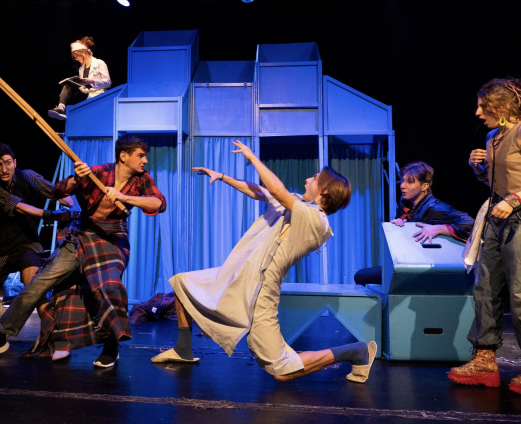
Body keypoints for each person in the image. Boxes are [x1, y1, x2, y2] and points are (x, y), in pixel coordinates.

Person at [152, 141, 377, 383]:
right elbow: (261, 192)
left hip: (261, 294)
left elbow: (277, 191)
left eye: (314, 178)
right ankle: (183, 349)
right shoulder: (297, 204)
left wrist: (253, 158)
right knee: (183, 283)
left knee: (281, 370)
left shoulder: (317, 222)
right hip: (238, 275)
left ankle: (354, 351)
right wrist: (223, 177)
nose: (307, 180)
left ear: (325, 191)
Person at [0, 136, 167, 368]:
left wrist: (123, 197)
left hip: (112, 238)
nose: (145, 160)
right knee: (37, 284)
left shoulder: (142, 179)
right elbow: (58, 190)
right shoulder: (98, 172)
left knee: (109, 285)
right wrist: (75, 179)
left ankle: (111, 345)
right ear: (124, 156)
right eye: (140, 155)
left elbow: (158, 203)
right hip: (82, 234)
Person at [448, 77, 521, 396]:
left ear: (501, 107)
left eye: (483, 106)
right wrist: (477, 168)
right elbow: (494, 184)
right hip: (497, 214)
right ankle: (484, 360)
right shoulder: (492, 137)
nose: (478, 112)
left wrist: (514, 199)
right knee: (485, 288)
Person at [0, 143, 74, 322]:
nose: (4, 169)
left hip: (27, 243)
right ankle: (6, 324)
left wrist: (73, 208)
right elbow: (18, 206)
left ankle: (52, 333)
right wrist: (52, 215)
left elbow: (57, 192)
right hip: (0, 248)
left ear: (15, 162)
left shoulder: (27, 175)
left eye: (8, 163)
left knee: (34, 290)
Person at [354, 161, 474, 286]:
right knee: (361, 275)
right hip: (410, 261)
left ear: (424, 186)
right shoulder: (406, 204)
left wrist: (438, 228)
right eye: (403, 181)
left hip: (429, 265)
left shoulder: (435, 207)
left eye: (410, 182)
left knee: (361, 276)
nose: (402, 186)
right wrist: (400, 224)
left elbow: (471, 224)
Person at [47, 36, 111, 121]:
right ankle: (61, 108)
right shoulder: (81, 68)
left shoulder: (99, 63)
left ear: (84, 53)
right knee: (69, 85)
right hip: (86, 94)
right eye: (74, 57)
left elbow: (108, 82)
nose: (76, 59)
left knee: (73, 93)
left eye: (77, 56)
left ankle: (64, 112)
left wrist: (92, 81)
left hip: (97, 96)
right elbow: (84, 88)